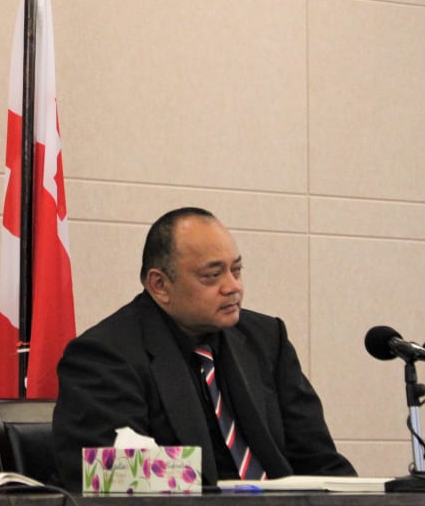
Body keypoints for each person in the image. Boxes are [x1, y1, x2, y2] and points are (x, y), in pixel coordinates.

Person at [52, 207, 355, 490]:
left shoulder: (266, 339)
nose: (232, 286)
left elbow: (319, 462)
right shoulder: (105, 356)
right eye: (212, 275)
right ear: (159, 285)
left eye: (236, 270)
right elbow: (110, 479)